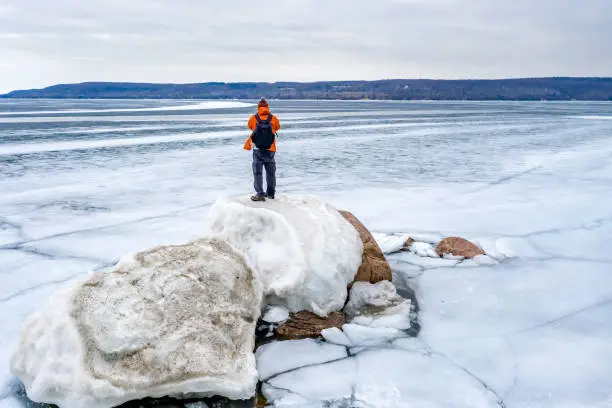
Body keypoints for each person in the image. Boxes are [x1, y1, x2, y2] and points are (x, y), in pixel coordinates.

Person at [244, 98, 281, 201]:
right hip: (270, 148)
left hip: (257, 148)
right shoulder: (273, 118)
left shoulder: (253, 118)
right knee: (271, 173)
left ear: (258, 107)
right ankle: (271, 194)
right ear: (267, 107)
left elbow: (251, 127)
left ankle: (260, 194)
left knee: (257, 172)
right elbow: (277, 128)